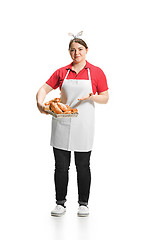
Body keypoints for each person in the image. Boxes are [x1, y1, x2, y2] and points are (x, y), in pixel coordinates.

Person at [36, 31, 109, 217]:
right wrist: (39, 102)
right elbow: (44, 89)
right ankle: (60, 203)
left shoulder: (96, 72)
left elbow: (105, 97)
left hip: (84, 123)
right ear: (69, 52)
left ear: (86, 50)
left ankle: (83, 203)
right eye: (72, 50)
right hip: (61, 122)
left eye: (80, 49)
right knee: (61, 166)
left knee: (83, 165)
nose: (76, 53)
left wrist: (92, 97)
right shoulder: (62, 72)